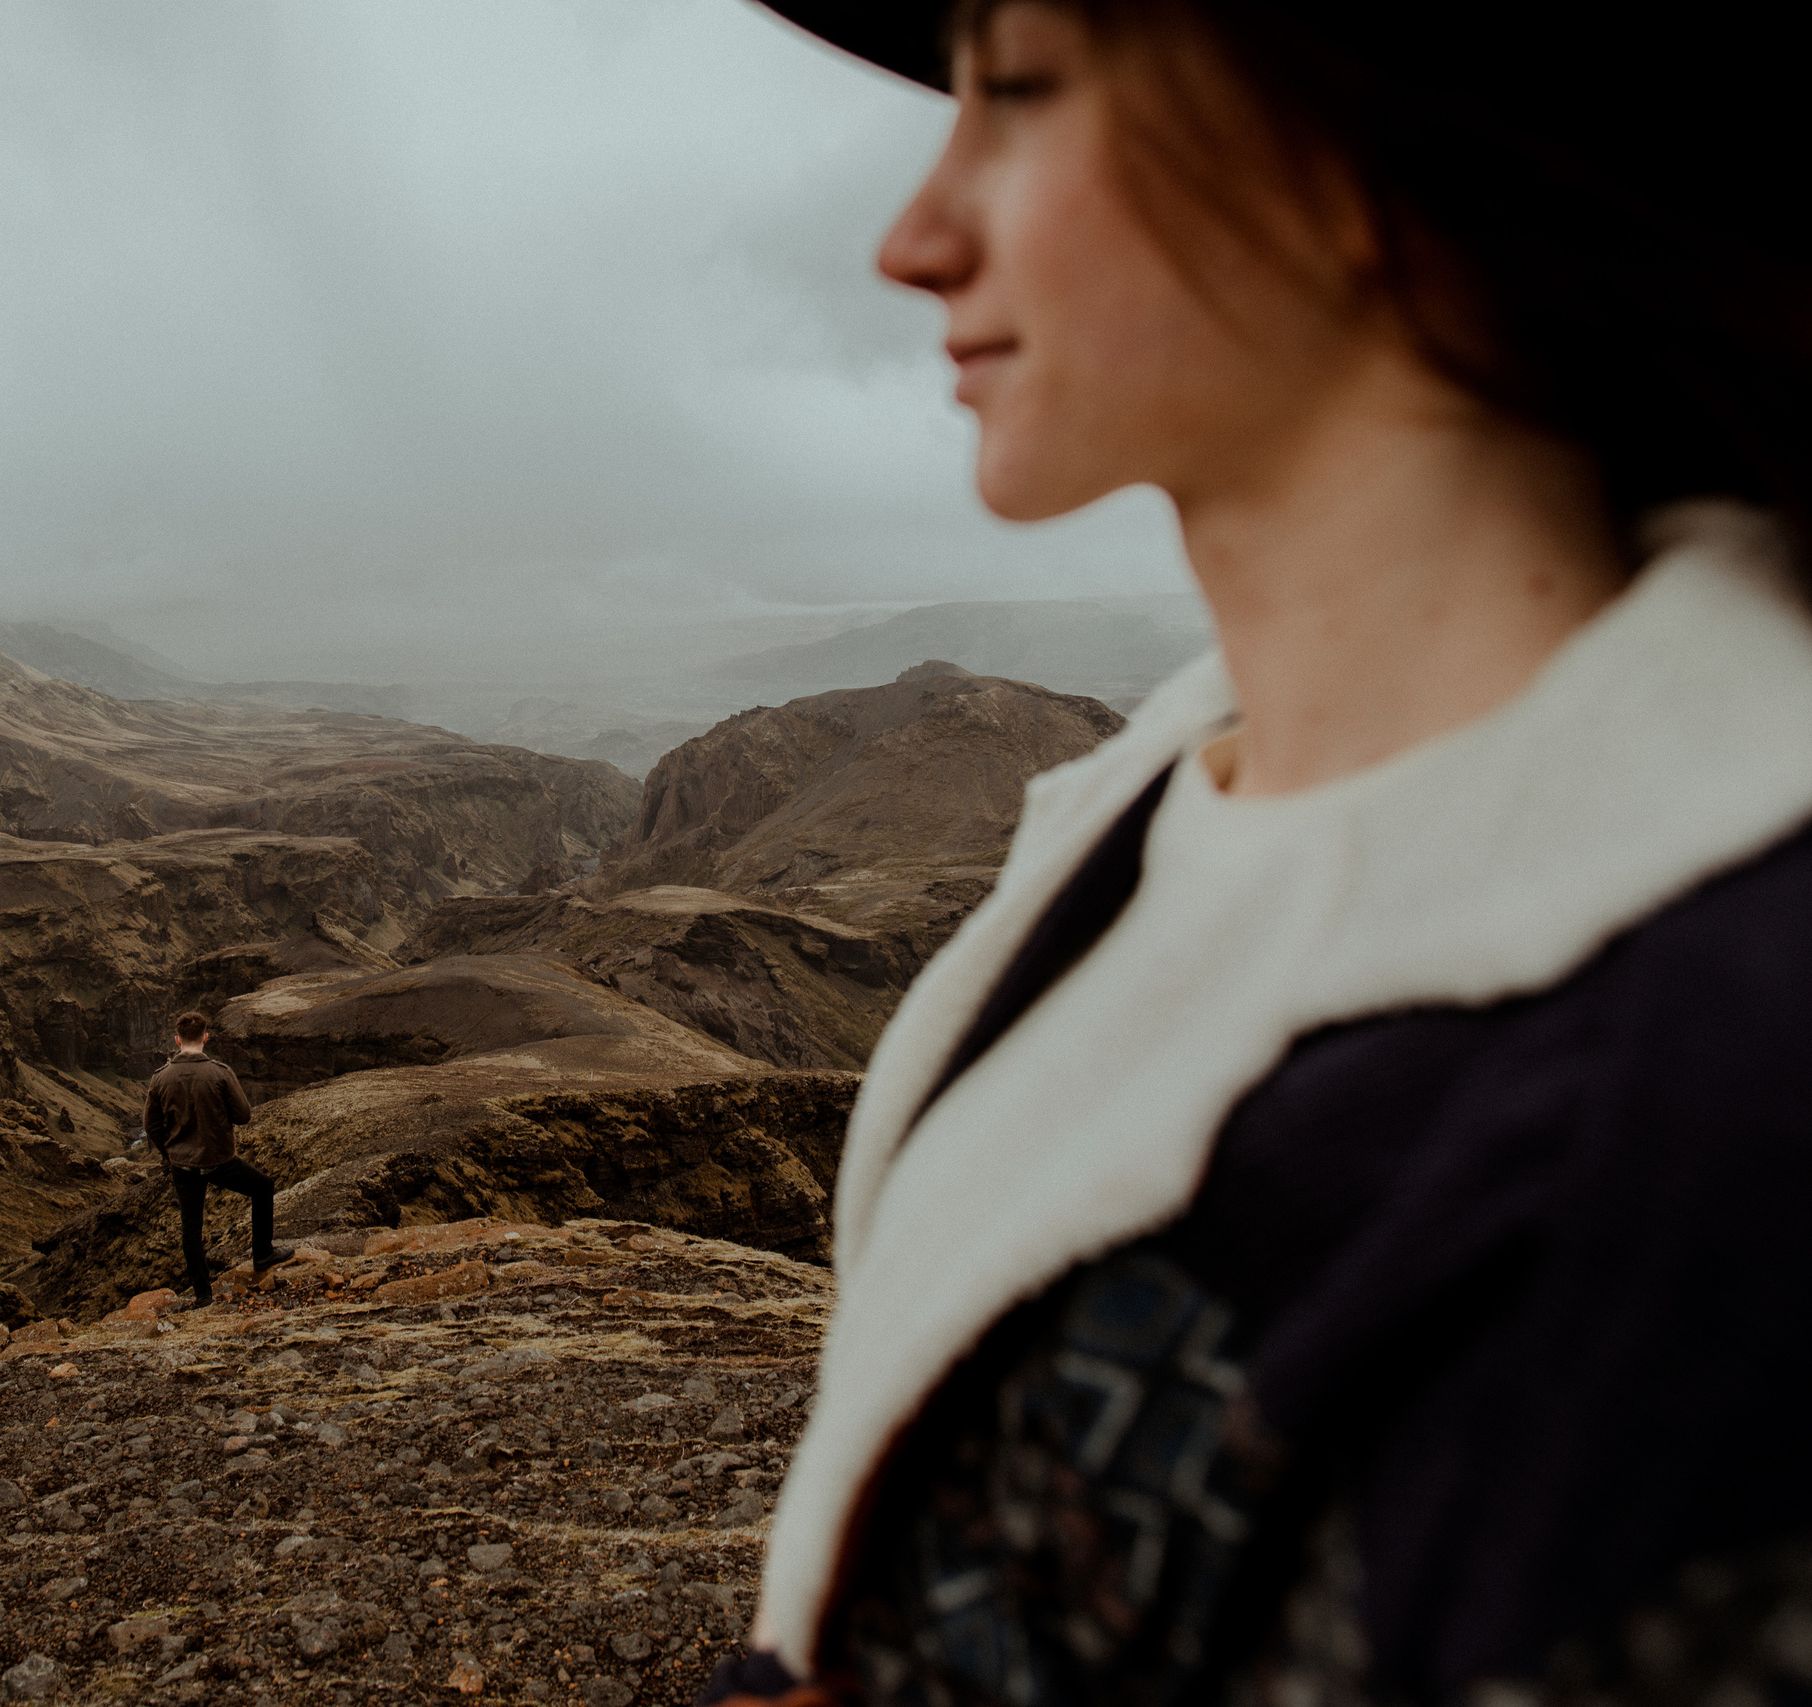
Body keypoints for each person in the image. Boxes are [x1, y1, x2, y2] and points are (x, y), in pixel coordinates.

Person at [705, 4, 1812, 1706]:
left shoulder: (1707, 1103)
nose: (913, 238)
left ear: (1346, 144)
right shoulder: (1159, 795)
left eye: (1015, 90)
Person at [143, 1011, 277, 1307]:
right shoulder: (220, 1072)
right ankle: (263, 1254)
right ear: (205, 1037)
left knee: (191, 1226)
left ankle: (203, 1294)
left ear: (177, 1040)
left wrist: (169, 1153)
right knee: (263, 1187)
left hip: (182, 1166)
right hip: (220, 1161)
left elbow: (150, 1126)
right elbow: (243, 1116)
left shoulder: (160, 1078)